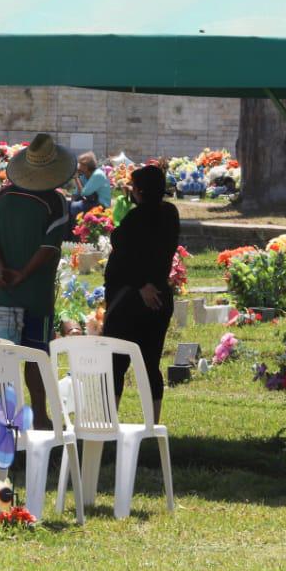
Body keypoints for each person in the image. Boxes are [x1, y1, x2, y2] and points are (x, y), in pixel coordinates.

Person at [0, 132, 75, 429]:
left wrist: (0, 267)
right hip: (35, 293)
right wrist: (23, 274)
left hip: (2, 290)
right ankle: (40, 416)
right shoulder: (55, 202)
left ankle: (2, 417)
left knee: (1, 357)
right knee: (36, 356)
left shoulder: (4, 196)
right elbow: (48, 248)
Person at [101, 165, 180, 423]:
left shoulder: (136, 219)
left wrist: (140, 284)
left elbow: (124, 254)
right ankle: (152, 424)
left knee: (116, 362)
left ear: (140, 191)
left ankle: (110, 422)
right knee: (150, 363)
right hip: (159, 295)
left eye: (134, 187)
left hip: (130, 298)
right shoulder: (170, 213)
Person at [70, 152, 111, 217]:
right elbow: (76, 193)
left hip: (102, 205)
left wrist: (76, 178)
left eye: (80, 164)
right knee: (70, 205)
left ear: (86, 166)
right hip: (92, 201)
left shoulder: (98, 174)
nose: (78, 166)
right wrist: (72, 201)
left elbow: (84, 193)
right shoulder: (84, 175)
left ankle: (77, 223)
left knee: (74, 206)